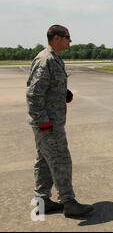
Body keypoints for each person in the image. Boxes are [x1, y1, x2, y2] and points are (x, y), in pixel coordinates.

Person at [26, 25, 93, 217]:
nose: (70, 41)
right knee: (61, 160)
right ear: (56, 38)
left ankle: (43, 200)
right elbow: (33, 95)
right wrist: (43, 121)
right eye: (67, 37)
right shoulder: (46, 59)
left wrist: (64, 93)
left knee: (44, 161)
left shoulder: (55, 59)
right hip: (48, 124)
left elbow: (48, 87)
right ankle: (68, 202)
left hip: (50, 122)